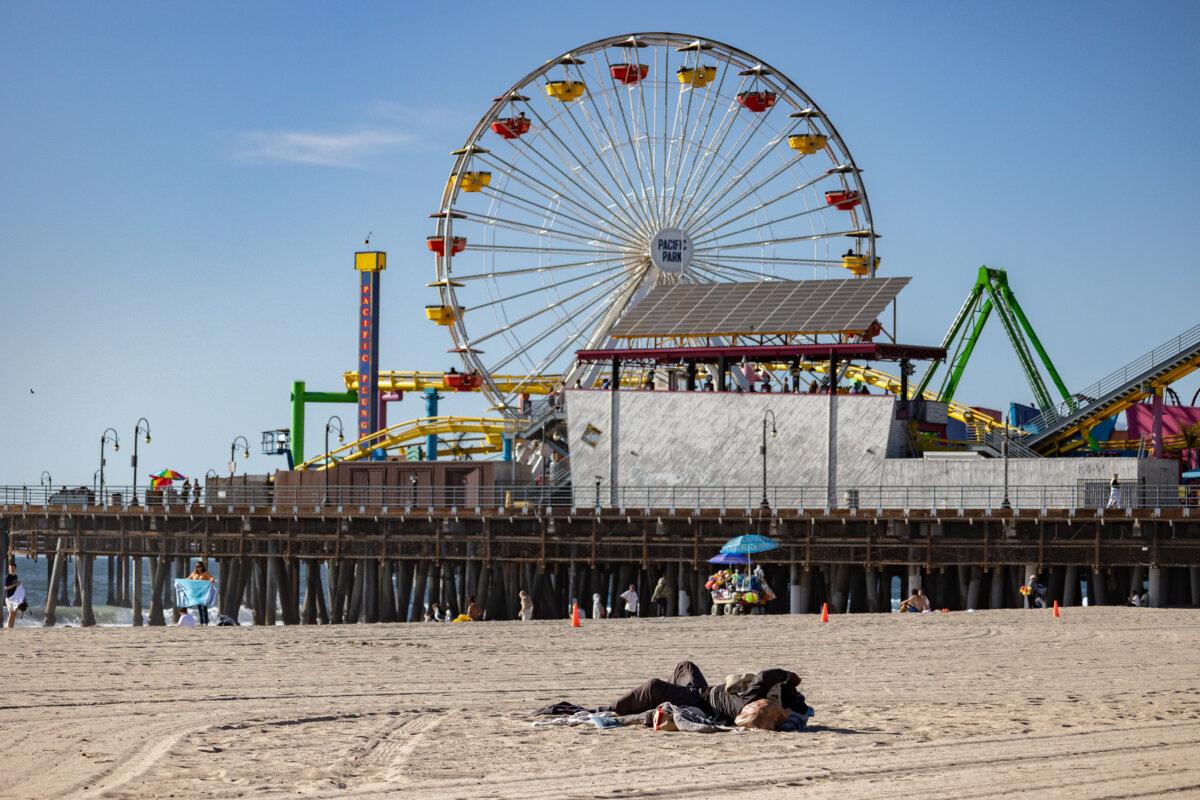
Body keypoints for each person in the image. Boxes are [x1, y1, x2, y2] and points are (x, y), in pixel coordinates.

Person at [607, 661, 808, 725]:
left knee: (653, 686)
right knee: (685, 667)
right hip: (702, 693)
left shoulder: (754, 700)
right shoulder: (758, 703)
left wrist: (789, 676)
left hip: (699, 699)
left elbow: (765, 675)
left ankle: (612, 708)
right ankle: (665, 697)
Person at [186, 561, 215, 625]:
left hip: (204, 592)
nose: (198, 568)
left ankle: (206, 622)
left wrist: (212, 580)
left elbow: (211, 577)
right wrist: (181, 582)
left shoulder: (205, 573)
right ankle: (201, 622)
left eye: (199, 566)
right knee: (199, 607)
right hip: (197, 592)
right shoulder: (194, 574)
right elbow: (188, 578)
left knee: (204, 607)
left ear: (202, 567)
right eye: (197, 566)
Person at [6, 561, 25, 629]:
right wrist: (15, 584)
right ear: (9, 569)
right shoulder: (8, 577)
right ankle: (9, 628)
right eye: (10, 568)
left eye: (13, 568)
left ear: (15, 569)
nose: (12, 569)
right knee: (11, 613)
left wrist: (19, 584)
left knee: (14, 614)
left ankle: (11, 627)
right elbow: (6, 587)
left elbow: (16, 586)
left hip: (15, 598)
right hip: (9, 598)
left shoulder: (16, 576)